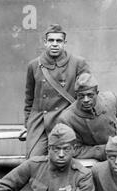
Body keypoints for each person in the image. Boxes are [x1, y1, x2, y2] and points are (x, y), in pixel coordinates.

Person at [24, 24, 90, 158]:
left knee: (64, 158)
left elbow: (87, 94)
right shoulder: (34, 65)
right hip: (40, 123)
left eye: (59, 41)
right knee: (34, 160)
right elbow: (29, 98)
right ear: (45, 42)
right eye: (51, 40)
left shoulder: (78, 63)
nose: (54, 44)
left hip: (67, 121)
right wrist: (27, 124)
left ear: (64, 43)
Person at [58, 73, 117, 161]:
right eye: (81, 96)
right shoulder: (67, 118)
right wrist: (103, 150)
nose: (86, 100)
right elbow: (73, 149)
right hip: (93, 156)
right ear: (76, 95)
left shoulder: (110, 99)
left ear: (97, 93)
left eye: (90, 95)